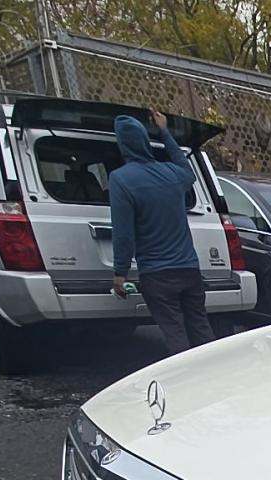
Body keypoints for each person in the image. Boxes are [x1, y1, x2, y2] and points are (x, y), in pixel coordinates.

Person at [109, 110, 214, 354]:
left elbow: (123, 232)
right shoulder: (172, 174)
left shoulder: (121, 180)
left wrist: (119, 273)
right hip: (189, 269)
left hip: (157, 274)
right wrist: (165, 132)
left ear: (122, 145)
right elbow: (187, 170)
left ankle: (185, 385)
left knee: (174, 332)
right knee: (201, 327)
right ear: (145, 141)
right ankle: (214, 379)